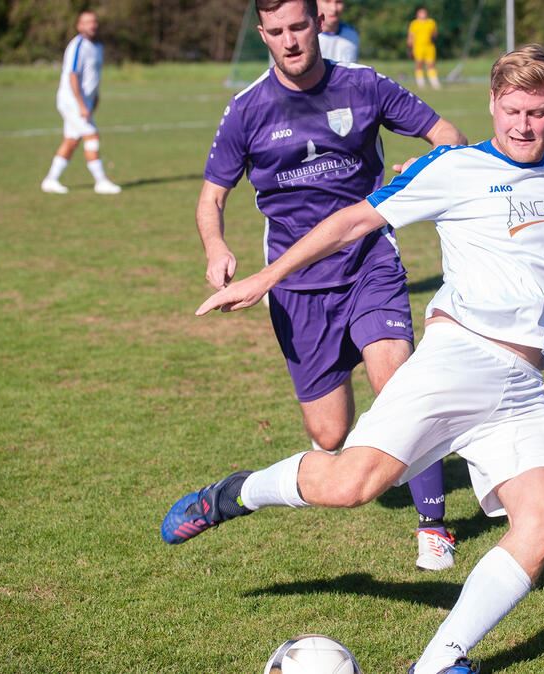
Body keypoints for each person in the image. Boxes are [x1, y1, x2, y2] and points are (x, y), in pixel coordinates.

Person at [162, 44, 544, 672]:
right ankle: (235, 494)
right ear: (492, 104)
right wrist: (264, 278)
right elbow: (352, 223)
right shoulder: (452, 168)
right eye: (511, 110)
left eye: (536, 112)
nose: (522, 124)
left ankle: (436, 664)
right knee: (352, 483)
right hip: (458, 360)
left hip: (522, 381)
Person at [187, 0, 469, 571]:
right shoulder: (246, 111)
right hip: (296, 287)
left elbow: (449, 135)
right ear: (262, 35)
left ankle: (434, 525)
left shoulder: (364, 86)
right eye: (276, 32)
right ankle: (372, 457)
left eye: (298, 27)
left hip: (370, 261)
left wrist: (421, 173)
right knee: (330, 431)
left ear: (318, 23)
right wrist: (216, 247)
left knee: (398, 378)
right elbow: (212, 197)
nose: (290, 41)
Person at [41, 9, 121, 195]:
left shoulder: (98, 46)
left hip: (85, 101)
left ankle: (50, 180)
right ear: (79, 26)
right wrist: (81, 105)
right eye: (87, 22)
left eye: (94, 22)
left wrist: (96, 97)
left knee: (71, 141)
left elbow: (94, 76)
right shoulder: (77, 46)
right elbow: (73, 76)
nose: (92, 25)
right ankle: (101, 182)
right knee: (92, 137)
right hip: (72, 101)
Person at [407, 6, 441, 90]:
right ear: (417, 14)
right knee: (419, 64)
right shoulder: (414, 23)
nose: (423, 14)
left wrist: (434, 37)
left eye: (424, 12)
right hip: (418, 47)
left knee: (431, 64)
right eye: (421, 13)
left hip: (429, 47)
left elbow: (435, 33)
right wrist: (409, 48)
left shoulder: (431, 22)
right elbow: (411, 36)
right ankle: (421, 83)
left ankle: (434, 83)